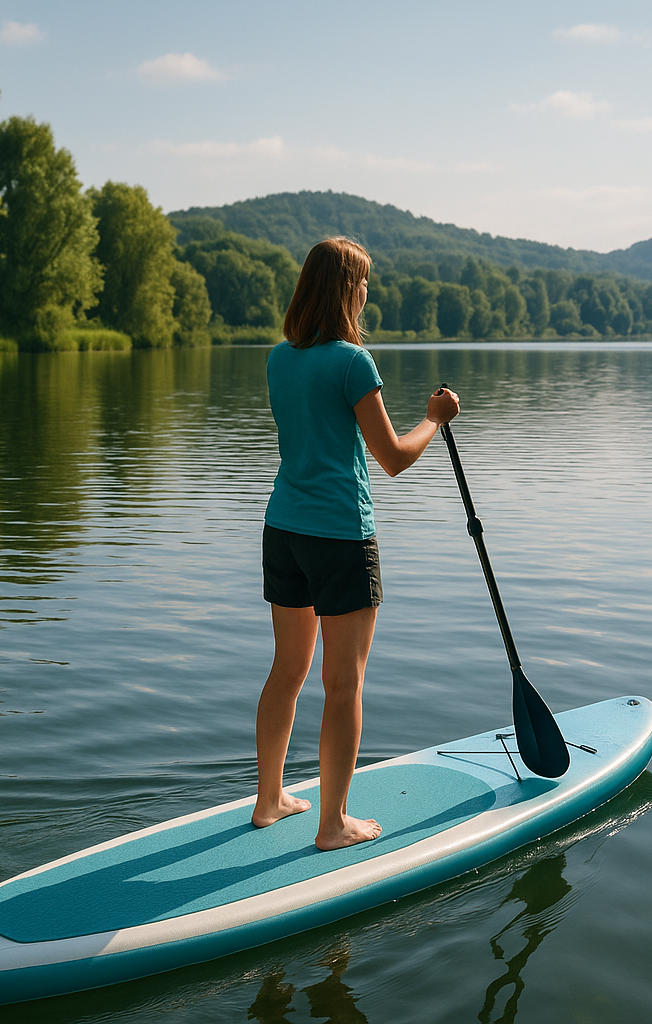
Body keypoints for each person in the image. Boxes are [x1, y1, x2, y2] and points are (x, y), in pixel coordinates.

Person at [253, 236, 460, 851]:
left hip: (283, 531)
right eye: (363, 282)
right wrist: (434, 418)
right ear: (347, 290)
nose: (367, 291)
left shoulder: (278, 359)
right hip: (340, 537)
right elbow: (392, 458)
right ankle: (332, 824)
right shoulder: (352, 363)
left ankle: (269, 800)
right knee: (344, 684)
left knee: (287, 669)